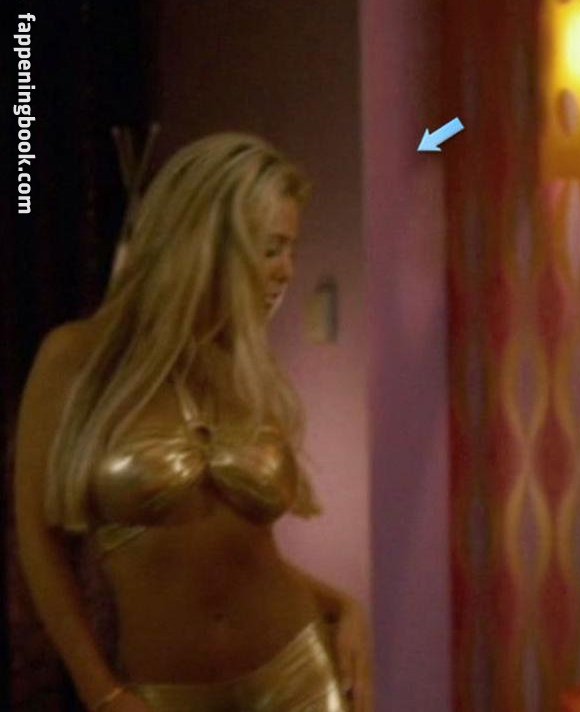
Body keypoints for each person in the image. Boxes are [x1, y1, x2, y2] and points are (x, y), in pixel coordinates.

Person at [14, 133, 371, 711]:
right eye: (271, 249)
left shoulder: (242, 368)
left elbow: (239, 553)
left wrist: (344, 607)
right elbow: (39, 542)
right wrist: (100, 690)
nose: (287, 271)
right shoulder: (77, 359)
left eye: (291, 250)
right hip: (164, 695)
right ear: (209, 241)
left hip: (300, 677)